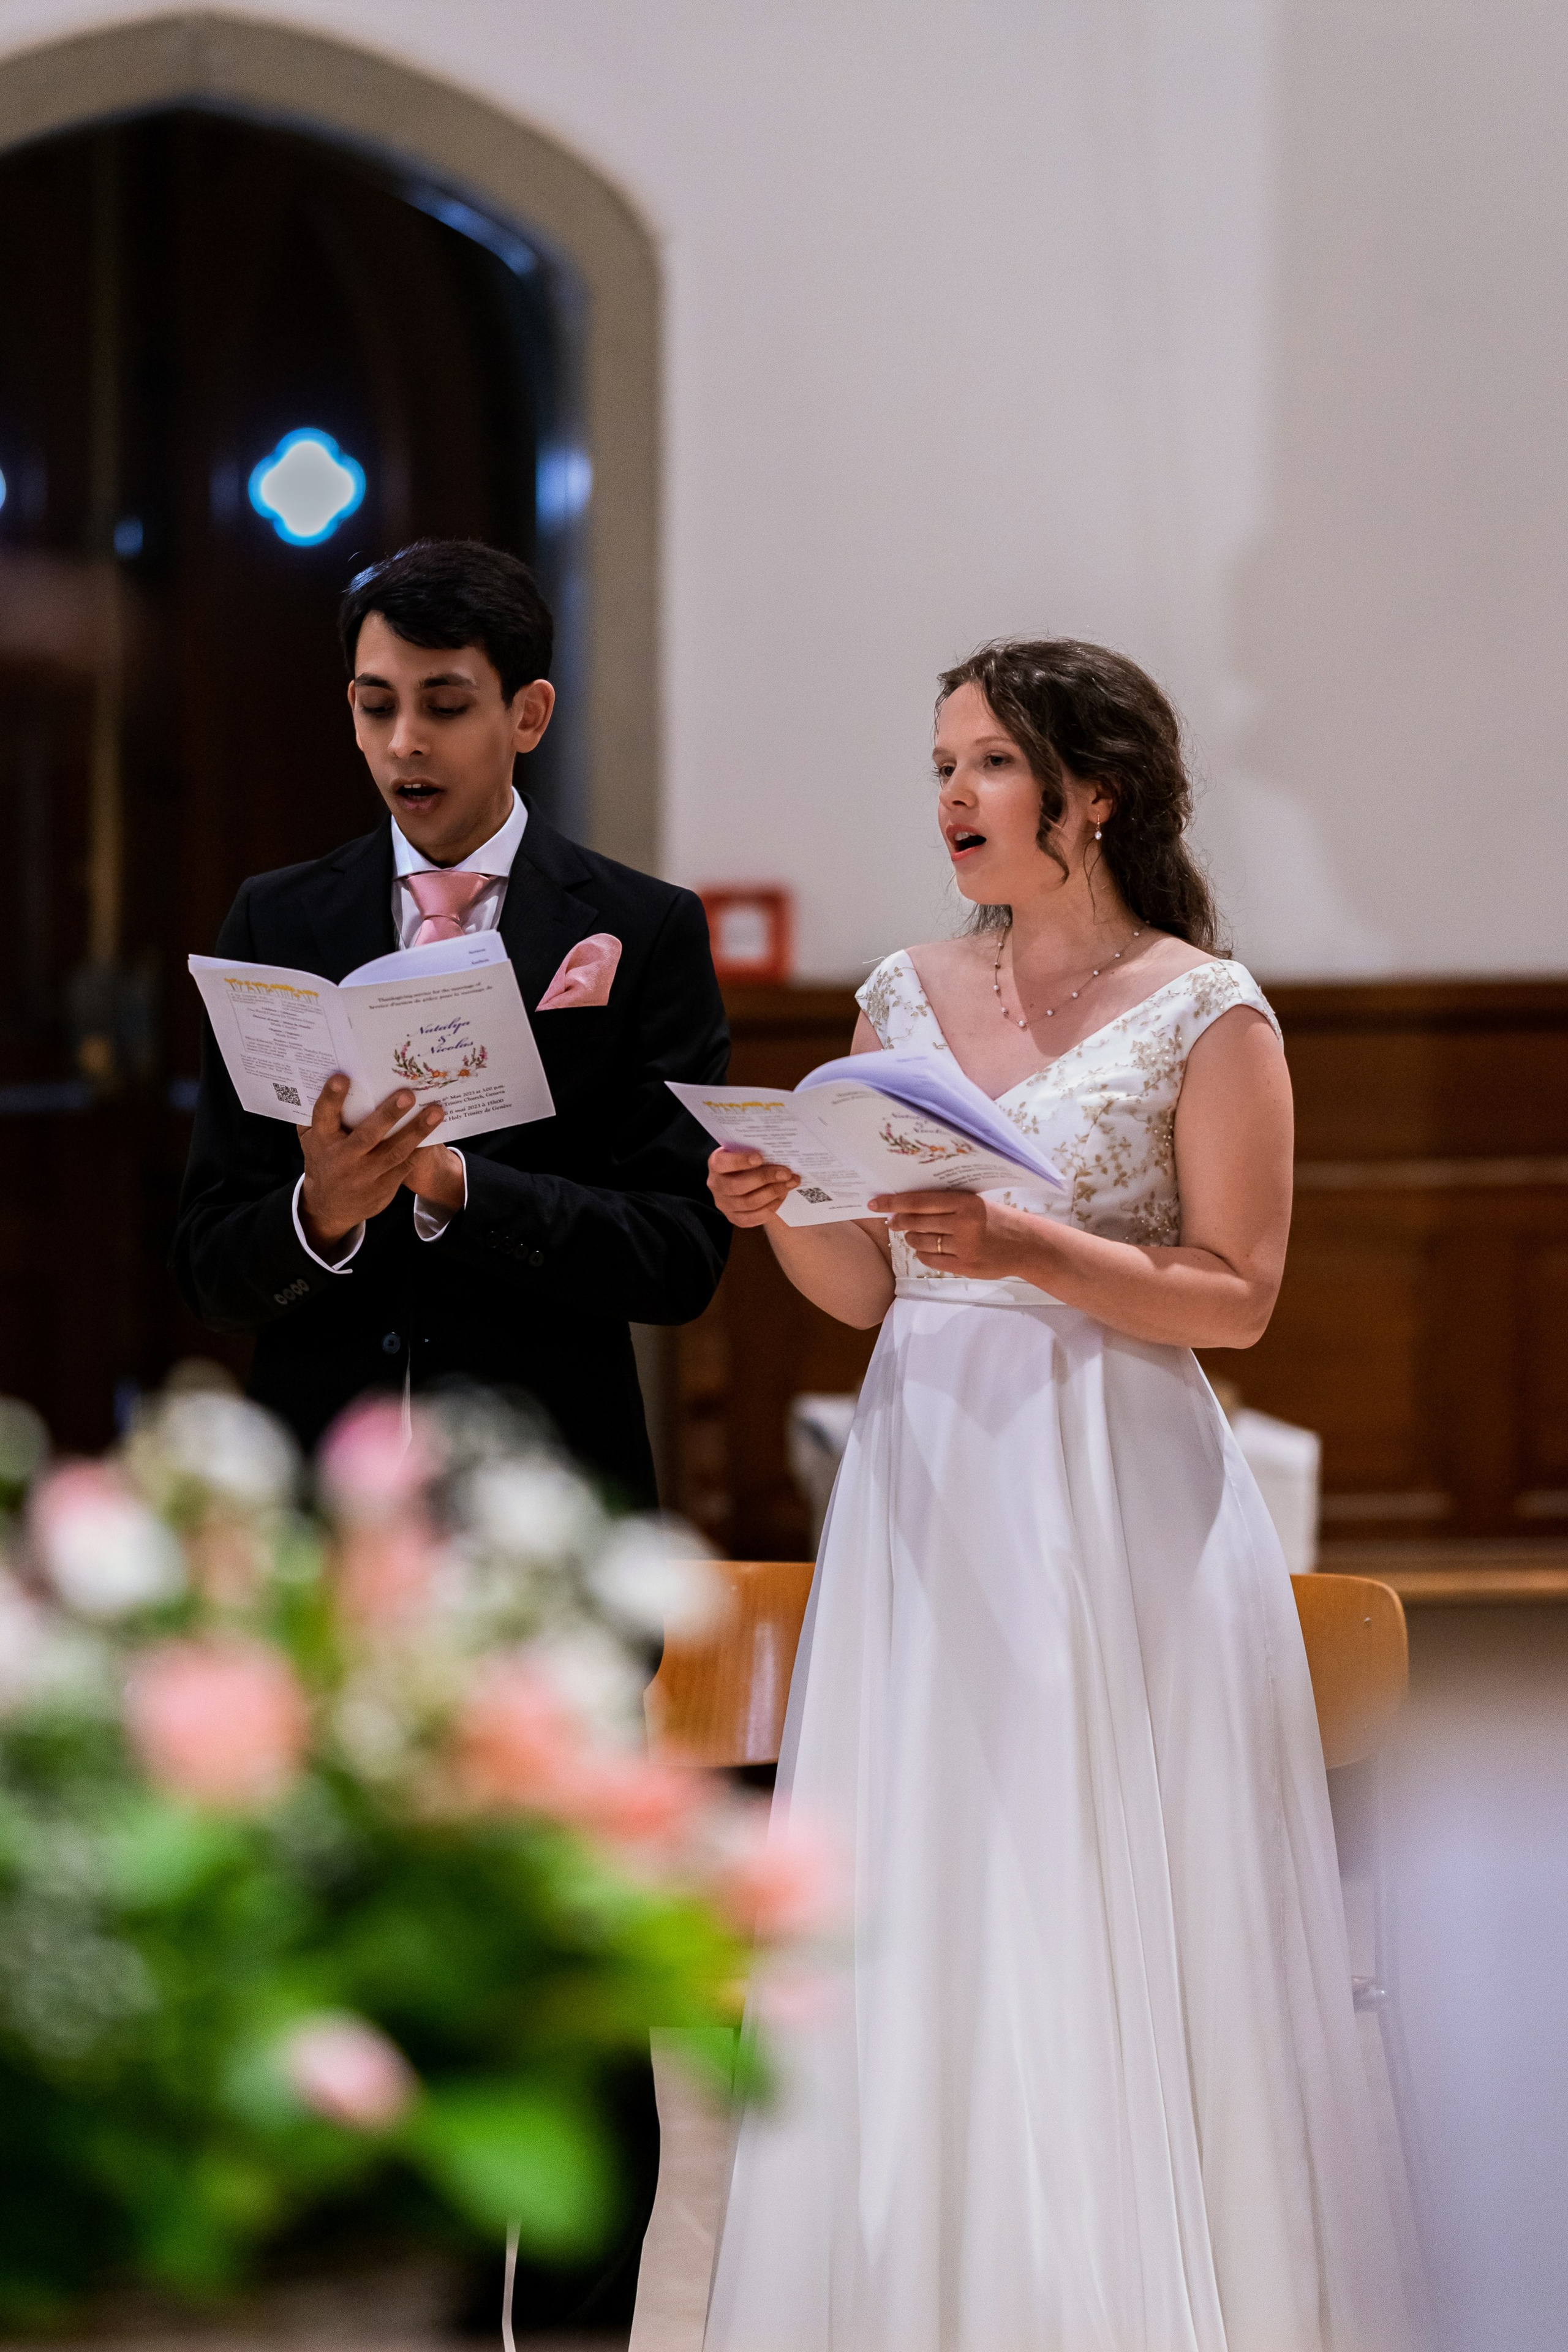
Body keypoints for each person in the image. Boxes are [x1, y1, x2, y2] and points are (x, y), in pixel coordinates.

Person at [700, 641, 1411, 2351]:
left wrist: (1030, 1248)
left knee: (1104, 1879)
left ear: (1095, 795)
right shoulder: (899, 996)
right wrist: (781, 1206)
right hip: (925, 1469)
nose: (954, 797)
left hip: (1113, 1472)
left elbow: (1236, 1296)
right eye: (942, 766)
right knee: (928, 1878)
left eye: (992, 765)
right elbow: (865, 1293)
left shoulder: (1206, 1009)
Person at [172, 538, 730, 1506]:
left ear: (529, 714)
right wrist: (319, 1214)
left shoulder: (643, 929)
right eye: (376, 705)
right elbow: (207, 1267)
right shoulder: (276, 919)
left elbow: (679, 1259)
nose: (405, 743)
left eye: (445, 705)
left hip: (549, 1490)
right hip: (321, 1500)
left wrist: (460, 1186)